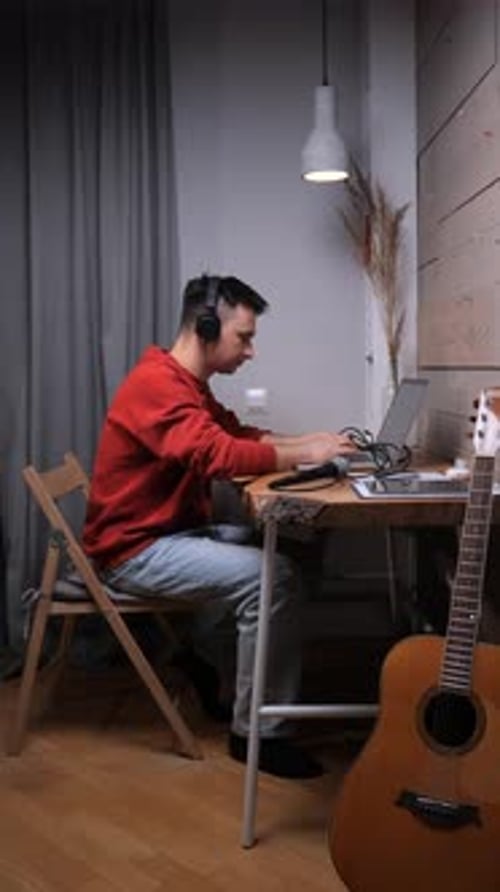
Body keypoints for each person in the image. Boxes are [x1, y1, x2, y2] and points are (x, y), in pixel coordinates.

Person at [83, 274, 355, 778]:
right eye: (244, 337)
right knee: (274, 577)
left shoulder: (185, 384)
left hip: (170, 536)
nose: (250, 351)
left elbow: (233, 433)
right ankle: (257, 734)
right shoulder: (157, 385)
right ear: (207, 328)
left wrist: (310, 441)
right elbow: (218, 456)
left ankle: (205, 659)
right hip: (134, 551)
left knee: (293, 547)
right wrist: (304, 453)